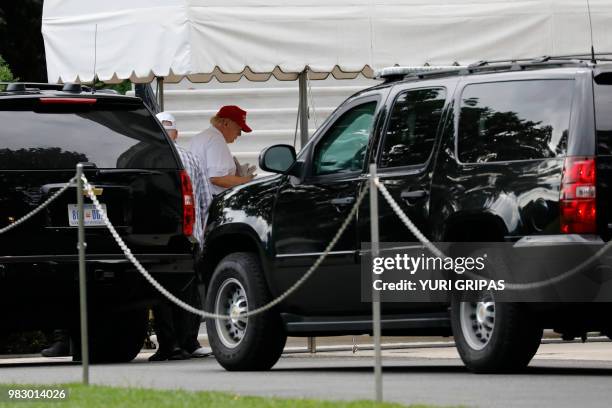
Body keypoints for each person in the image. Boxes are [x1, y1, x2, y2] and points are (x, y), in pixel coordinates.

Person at [149, 111, 213, 361]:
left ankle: (169, 344)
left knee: (161, 292)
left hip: (156, 238)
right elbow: (206, 201)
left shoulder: (145, 158)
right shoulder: (192, 158)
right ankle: (189, 341)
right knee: (190, 291)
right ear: (176, 133)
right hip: (190, 236)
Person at [189, 105, 255, 195]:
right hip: (213, 200)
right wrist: (247, 181)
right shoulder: (216, 140)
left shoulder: (201, 137)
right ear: (226, 123)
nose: (239, 134)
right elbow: (217, 178)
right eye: (239, 129)